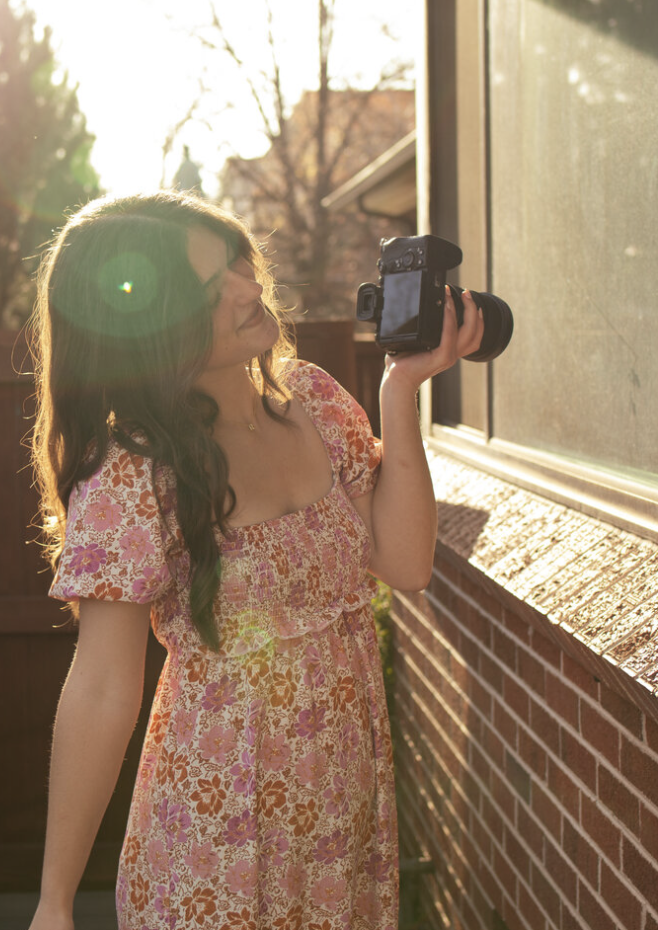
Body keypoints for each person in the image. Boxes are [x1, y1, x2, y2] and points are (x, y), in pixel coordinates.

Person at [26, 190, 483, 930]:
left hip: (342, 808)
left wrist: (403, 388)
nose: (249, 287)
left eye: (238, 264)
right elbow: (103, 689)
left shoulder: (315, 400)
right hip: (218, 831)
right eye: (214, 289)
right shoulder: (132, 470)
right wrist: (54, 901)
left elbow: (405, 563)